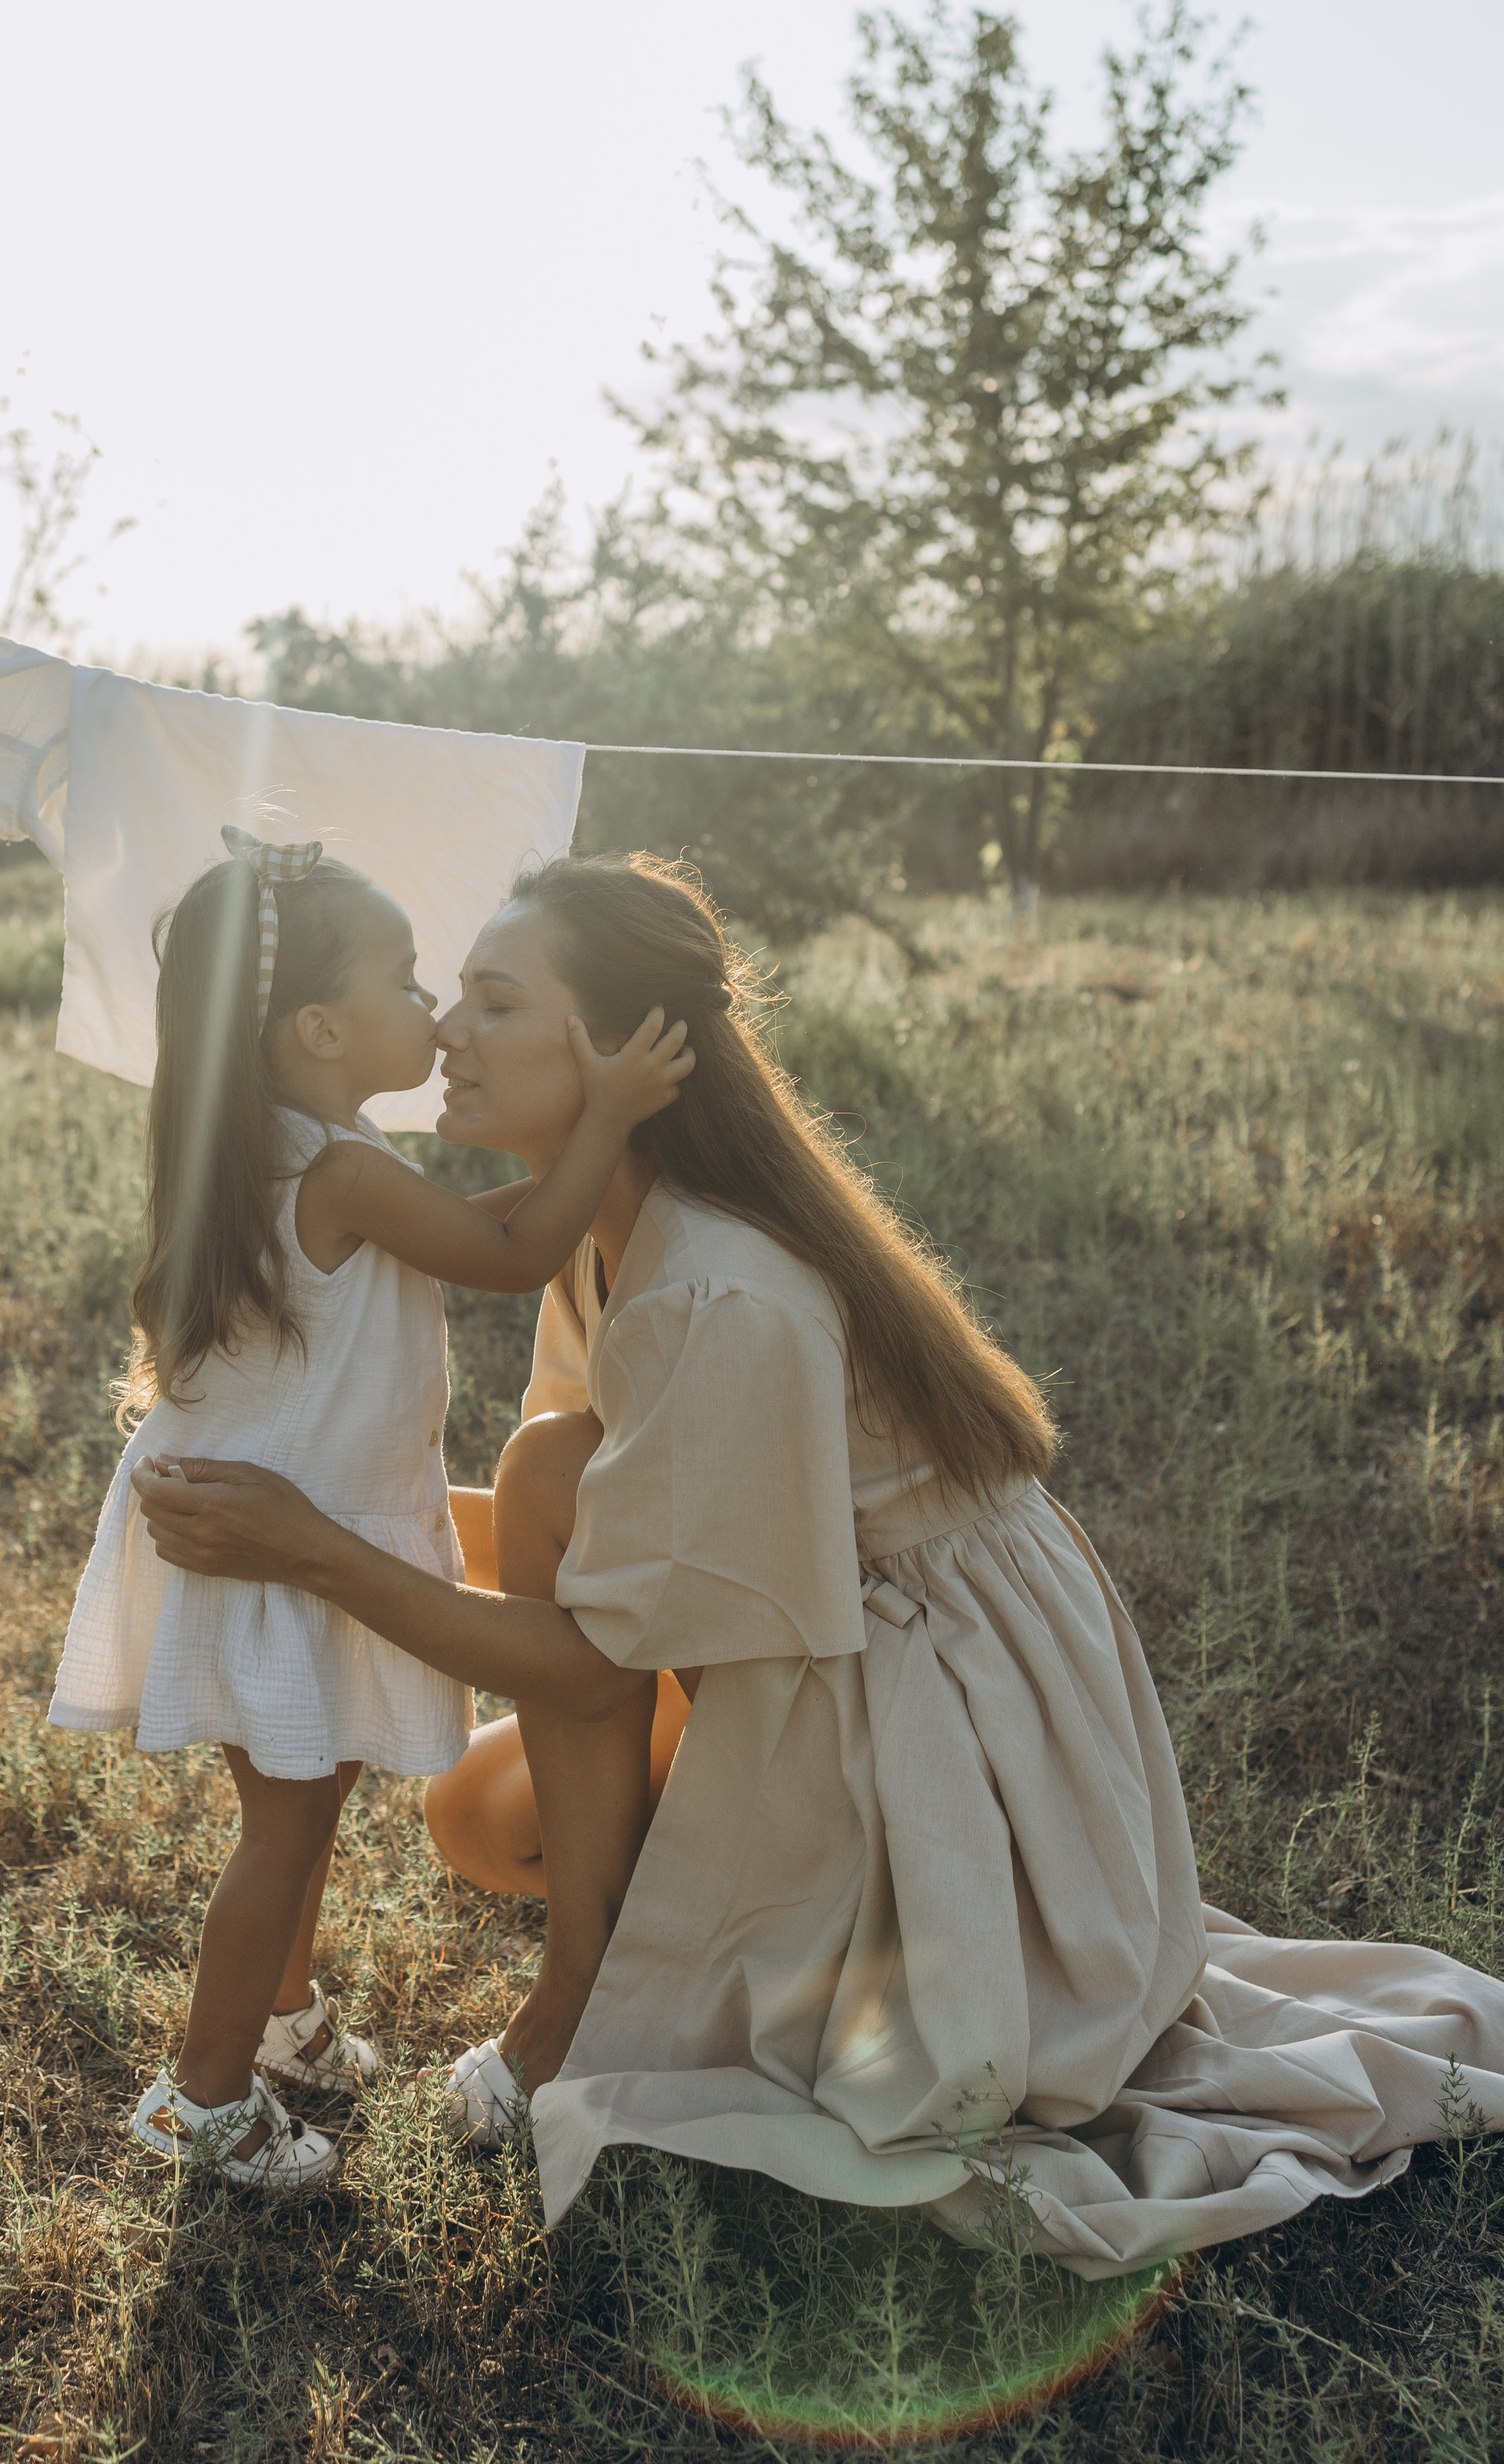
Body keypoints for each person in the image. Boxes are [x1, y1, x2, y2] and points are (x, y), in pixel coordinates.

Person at [132, 852, 1504, 2275]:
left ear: (623, 1050)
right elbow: (609, 1521)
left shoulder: (717, 1285)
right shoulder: (602, 1228)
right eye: (445, 992)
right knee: (485, 1800)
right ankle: (633, 1951)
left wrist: (312, 1550)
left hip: (928, 1675)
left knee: (535, 1604)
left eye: (492, 999)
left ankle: (582, 2002)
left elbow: (591, 1654)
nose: (446, 1030)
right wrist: (315, 1520)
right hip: (798, 1618)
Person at [49, 828, 692, 2194]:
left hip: (263, 1537)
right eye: (406, 980)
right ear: (323, 1029)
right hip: (274, 1550)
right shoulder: (337, 1171)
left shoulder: (279, 1149)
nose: (434, 1007)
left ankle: (282, 2023)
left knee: (309, 1794)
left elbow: (483, 1222)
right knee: (284, 1825)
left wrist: (589, 1161)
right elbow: (512, 1250)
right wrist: (611, 1120)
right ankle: (202, 2095)